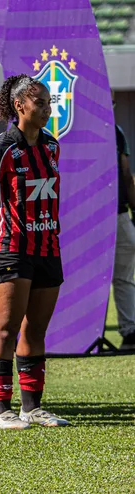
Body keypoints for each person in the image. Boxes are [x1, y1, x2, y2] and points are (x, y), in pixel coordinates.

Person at [0, 74, 70, 429]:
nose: (47, 109)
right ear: (20, 106)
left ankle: (32, 408)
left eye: (48, 103)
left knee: (36, 329)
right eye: (40, 103)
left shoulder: (51, 145)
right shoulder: (1, 149)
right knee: (6, 327)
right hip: (11, 249)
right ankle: (1, 410)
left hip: (47, 247)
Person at [111, 91, 135, 351]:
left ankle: (130, 330)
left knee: (125, 275)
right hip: (90, 216)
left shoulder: (116, 132)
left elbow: (126, 173)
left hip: (119, 212)